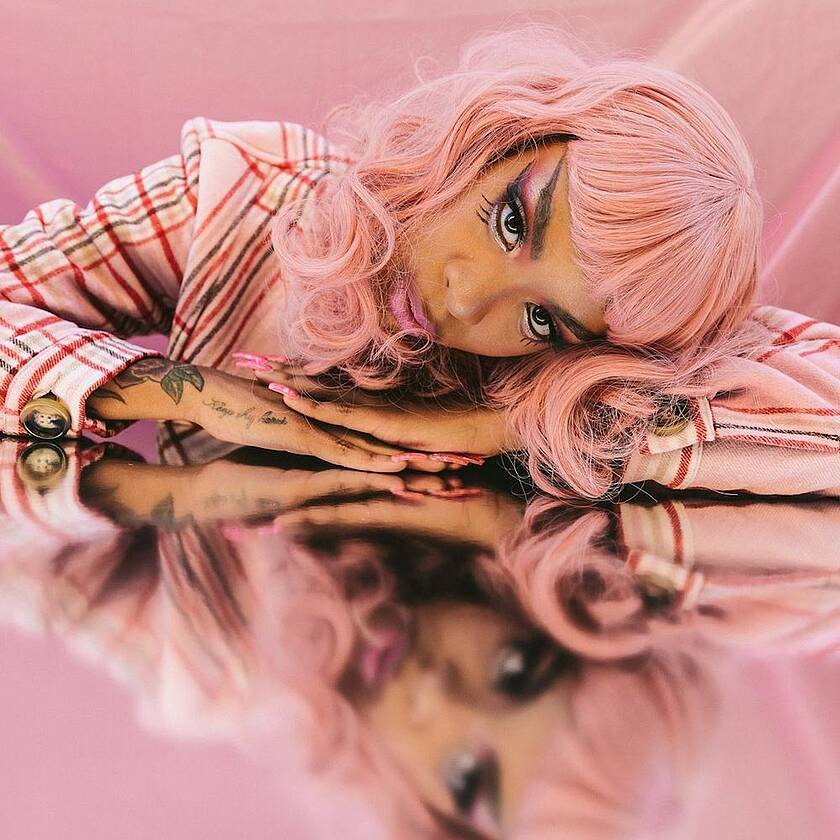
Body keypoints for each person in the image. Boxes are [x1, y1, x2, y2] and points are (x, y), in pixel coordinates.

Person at [2, 23, 838, 499]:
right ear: (503, 134)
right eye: (511, 219)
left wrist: (532, 422)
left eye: (541, 318)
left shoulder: (540, 382)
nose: (465, 300)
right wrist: (203, 398)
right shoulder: (240, 194)